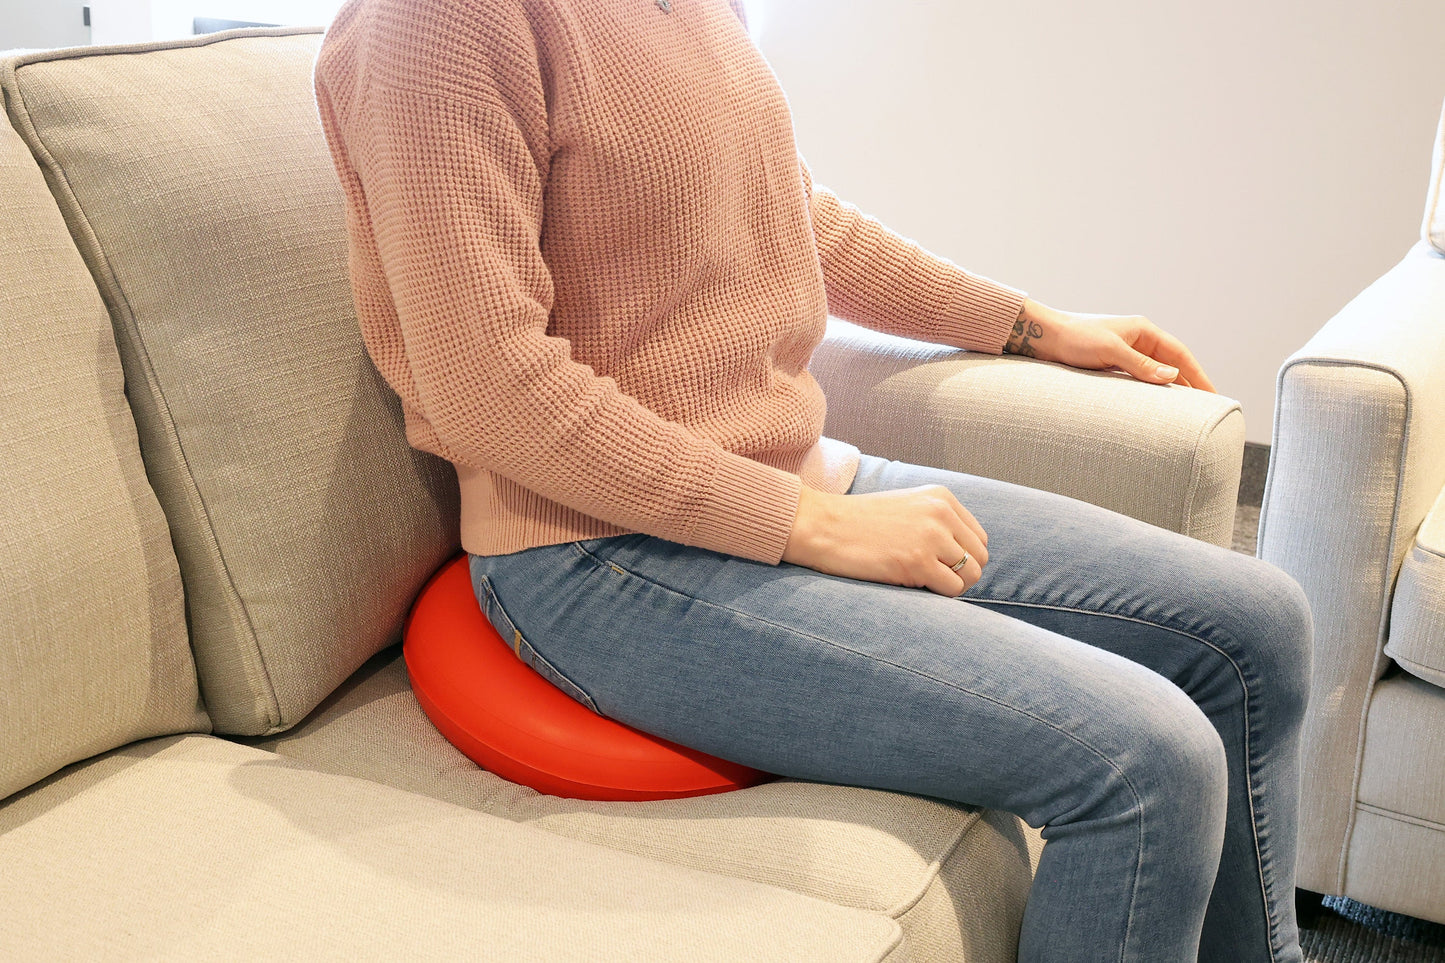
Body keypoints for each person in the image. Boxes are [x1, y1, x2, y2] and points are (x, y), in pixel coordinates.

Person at [313, 0, 1311, 960]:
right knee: (1142, 763)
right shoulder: (433, 21)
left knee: (1254, 625)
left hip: (789, 485)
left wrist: (1030, 324)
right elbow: (493, 389)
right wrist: (810, 524)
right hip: (592, 554)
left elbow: (791, 216)